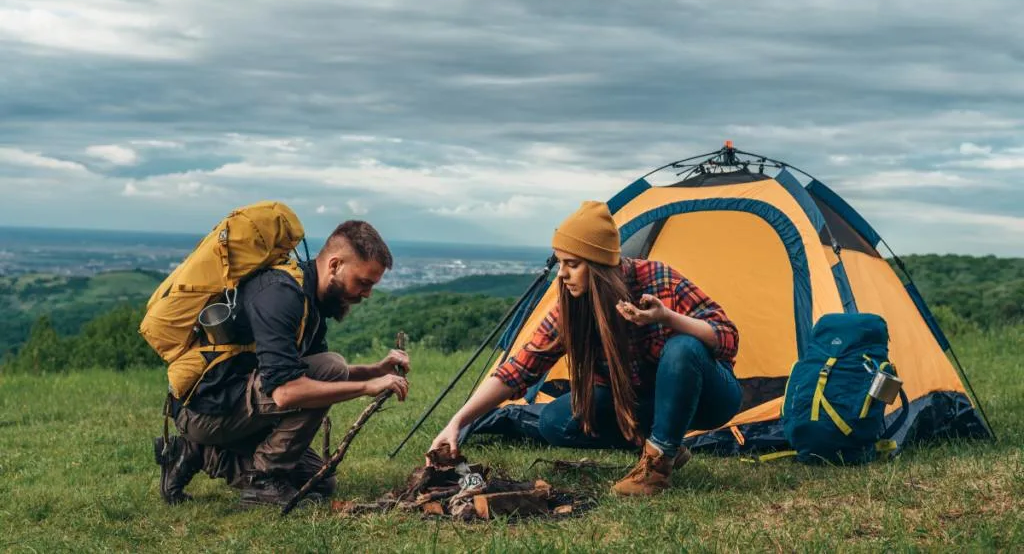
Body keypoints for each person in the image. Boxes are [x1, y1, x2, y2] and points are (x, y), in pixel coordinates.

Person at [430, 201, 741, 496]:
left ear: (600, 266)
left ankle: (657, 467)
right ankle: (661, 445)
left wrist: (667, 318)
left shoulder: (657, 279)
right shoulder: (573, 308)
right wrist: (457, 422)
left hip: (710, 398)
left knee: (682, 348)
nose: (562, 274)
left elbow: (728, 337)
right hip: (640, 403)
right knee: (555, 421)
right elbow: (518, 370)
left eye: (572, 264)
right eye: (560, 263)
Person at [155, 220, 411, 507]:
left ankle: (194, 453)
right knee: (332, 367)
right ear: (335, 265)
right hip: (206, 409)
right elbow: (287, 392)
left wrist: (375, 370)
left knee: (319, 481)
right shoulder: (281, 293)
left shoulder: (310, 303)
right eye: (363, 282)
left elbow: (305, 373)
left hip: (235, 405)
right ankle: (264, 480)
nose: (366, 294)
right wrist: (367, 386)